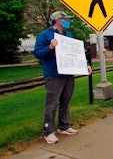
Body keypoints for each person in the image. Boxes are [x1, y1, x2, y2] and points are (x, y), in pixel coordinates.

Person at [34, 11, 92, 144]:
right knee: (51, 103)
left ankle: (64, 126)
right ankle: (48, 131)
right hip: (53, 74)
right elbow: (37, 53)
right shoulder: (44, 35)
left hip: (68, 73)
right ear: (57, 21)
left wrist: (86, 64)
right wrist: (50, 47)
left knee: (66, 101)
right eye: (65, 19)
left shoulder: (68, 35)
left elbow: (76, 53)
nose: (67, 21)